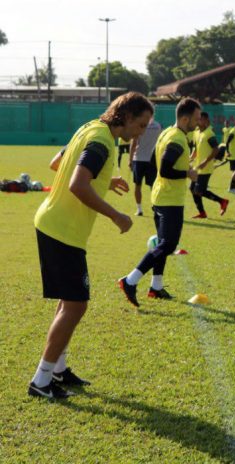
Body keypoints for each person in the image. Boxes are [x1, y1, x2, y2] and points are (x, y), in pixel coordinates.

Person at [29, 92, 152, 399]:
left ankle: (58, 369)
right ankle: (41, 381)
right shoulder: (102, 141)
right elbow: (77, 183)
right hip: (62, 230)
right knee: (76, 305)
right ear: (124, 117)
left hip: (54, 224)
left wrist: (104, 180)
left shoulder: (89, 128)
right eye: (140, 124)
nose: (141, 132)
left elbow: (58, 162)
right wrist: (116, 215)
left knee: (68, 302)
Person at [119, 98, 201, 307]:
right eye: (196, 118)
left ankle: (156, 287)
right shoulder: (177, 139)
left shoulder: (167, 133)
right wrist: (188, 173)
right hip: (169, 199)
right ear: (185, 118)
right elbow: (165, 169)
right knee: (168, 244)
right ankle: (130, 280)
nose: (198, 122)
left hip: (160, 195)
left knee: (162, 242)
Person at [190, 112, 229, 219]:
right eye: (197, 119)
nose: (198, 121)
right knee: (193, 189)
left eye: (200, 119)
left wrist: (205, 162)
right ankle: (202, 213)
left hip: (206, 168)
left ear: (206, 120)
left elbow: (216, 149)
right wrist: (191, 157)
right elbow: (196, 148)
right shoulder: (197, 132)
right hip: (197, 167)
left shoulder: (209, 133)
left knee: (198, 191)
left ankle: (222, 201)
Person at [130, 117, 162, 216]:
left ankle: (139, 209)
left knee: (137, 185)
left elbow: (134, 143)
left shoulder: (140, 125)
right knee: (153, 186)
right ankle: (156, 208)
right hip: (152, 160)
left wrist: (130, 159)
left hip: (139, 159)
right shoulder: (158, 126)